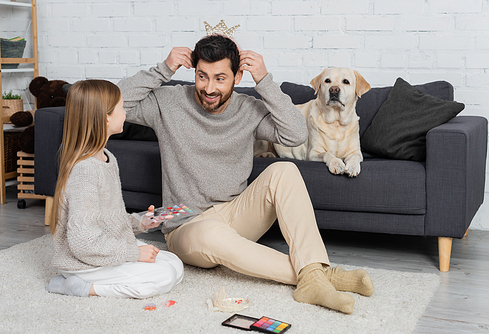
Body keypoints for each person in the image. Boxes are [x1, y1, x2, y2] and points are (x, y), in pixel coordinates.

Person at [117, 34, 374, 313]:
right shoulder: (169, 102)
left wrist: (264, 80)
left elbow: (296, 134)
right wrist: (162, 69)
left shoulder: (248, 108)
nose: (209, 88)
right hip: (185, 222)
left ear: (238, 76)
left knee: (284, 170)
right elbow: (113, 104)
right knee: (209, 235)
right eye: (202, 77)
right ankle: (321, 275)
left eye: (220, 78)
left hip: (235, 213)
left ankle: (313, 275)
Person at [46, 79, 184, 299]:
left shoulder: (108, 158)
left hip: (105, 250)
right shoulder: (85, 171)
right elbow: (83, 242)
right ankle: (78, 287)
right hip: (83, 262)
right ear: (105, 117)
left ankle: (91, 280)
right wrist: (132, 253)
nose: (126, 114)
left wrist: (140, 222)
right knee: (164, 276)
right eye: (122, 108)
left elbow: (110, 219)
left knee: (174, 264)